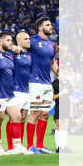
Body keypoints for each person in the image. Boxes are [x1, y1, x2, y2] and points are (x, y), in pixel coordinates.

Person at [27, 17, 57, 154]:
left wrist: (59, 73)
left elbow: (53, 63)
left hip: (47, 83)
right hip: (35, 82)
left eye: (50, 25)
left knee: (45, 114)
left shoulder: (52, 44)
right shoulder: (32, 41)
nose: (51, 27)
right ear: (40, 27)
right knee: (34, 113)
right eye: (48, 25)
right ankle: (29, 146)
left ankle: (40, 145)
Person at [6, 31, 33, 153]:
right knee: (13, 118)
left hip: (27, 90)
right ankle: (11, 146)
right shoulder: (12, 53)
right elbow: (4, 46)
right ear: (19, 41)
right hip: (15, 90)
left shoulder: (29, 55)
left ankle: (19, 145)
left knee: (22, 118)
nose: (28, 41)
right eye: (26, 39)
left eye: (29, 39)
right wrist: (12, 47)